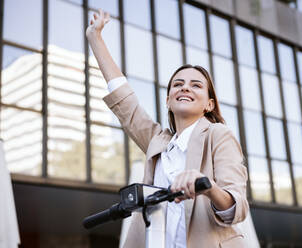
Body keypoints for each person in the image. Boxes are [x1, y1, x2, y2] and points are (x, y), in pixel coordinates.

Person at [87, 9, 250, 248]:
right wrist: (95, 38)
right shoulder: (158, 142)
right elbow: (124, 100)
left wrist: (207, 186)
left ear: (209, 104)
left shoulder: (218, 135)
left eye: (196, 85)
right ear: (168, 100)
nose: (185, 88)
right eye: (178, 84)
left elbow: (236, 207)